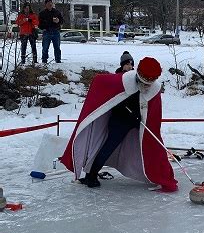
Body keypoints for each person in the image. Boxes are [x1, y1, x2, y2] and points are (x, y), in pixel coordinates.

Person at [60, 57, 178, 192]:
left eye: (148, 85)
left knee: (152, 147)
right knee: (108, 147)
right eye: (144, 83)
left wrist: (140, 116)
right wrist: (125, 108)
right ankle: (91, 175)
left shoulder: (154, 89)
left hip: (138, 123)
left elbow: (152, 113)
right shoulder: (124, 80)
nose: (146, 87)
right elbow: (101, 83)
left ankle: (159, 175)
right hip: (119, 121)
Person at [38, 0, 63, 64]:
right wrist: (45, 26)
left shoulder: (57, 12)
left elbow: (62, 21)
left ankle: (58, 60)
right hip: (47, 31)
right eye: (48, 4)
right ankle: (44, 61)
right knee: (45, 48)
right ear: (45, 5)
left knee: (57, 47)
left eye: (51, 3)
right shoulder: (42, 13)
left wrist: (58, 21)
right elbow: (39, 24)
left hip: (55, 31)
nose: (50, 5)